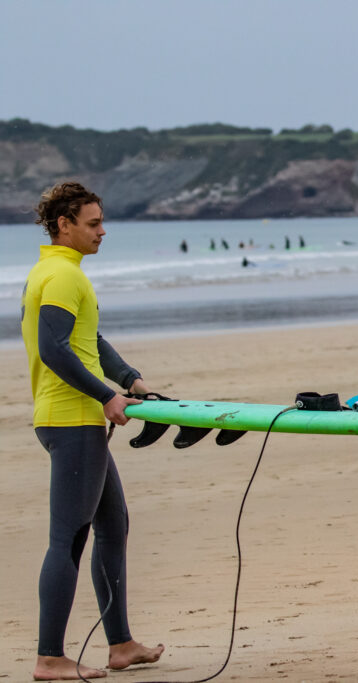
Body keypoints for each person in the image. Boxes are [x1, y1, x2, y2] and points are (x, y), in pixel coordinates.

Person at [22, 182, 165, 680]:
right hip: (71, 418)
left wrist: (130, 380)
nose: (103, 232)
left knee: (113, 526)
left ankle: (121, 644)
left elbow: (89, 340)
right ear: (64, 225)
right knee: (68, 538)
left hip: (73, 417)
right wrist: (106, 397)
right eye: (93, 223)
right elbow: (53, 349)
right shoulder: (60, 277)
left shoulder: (62, 273)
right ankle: (49, 657)